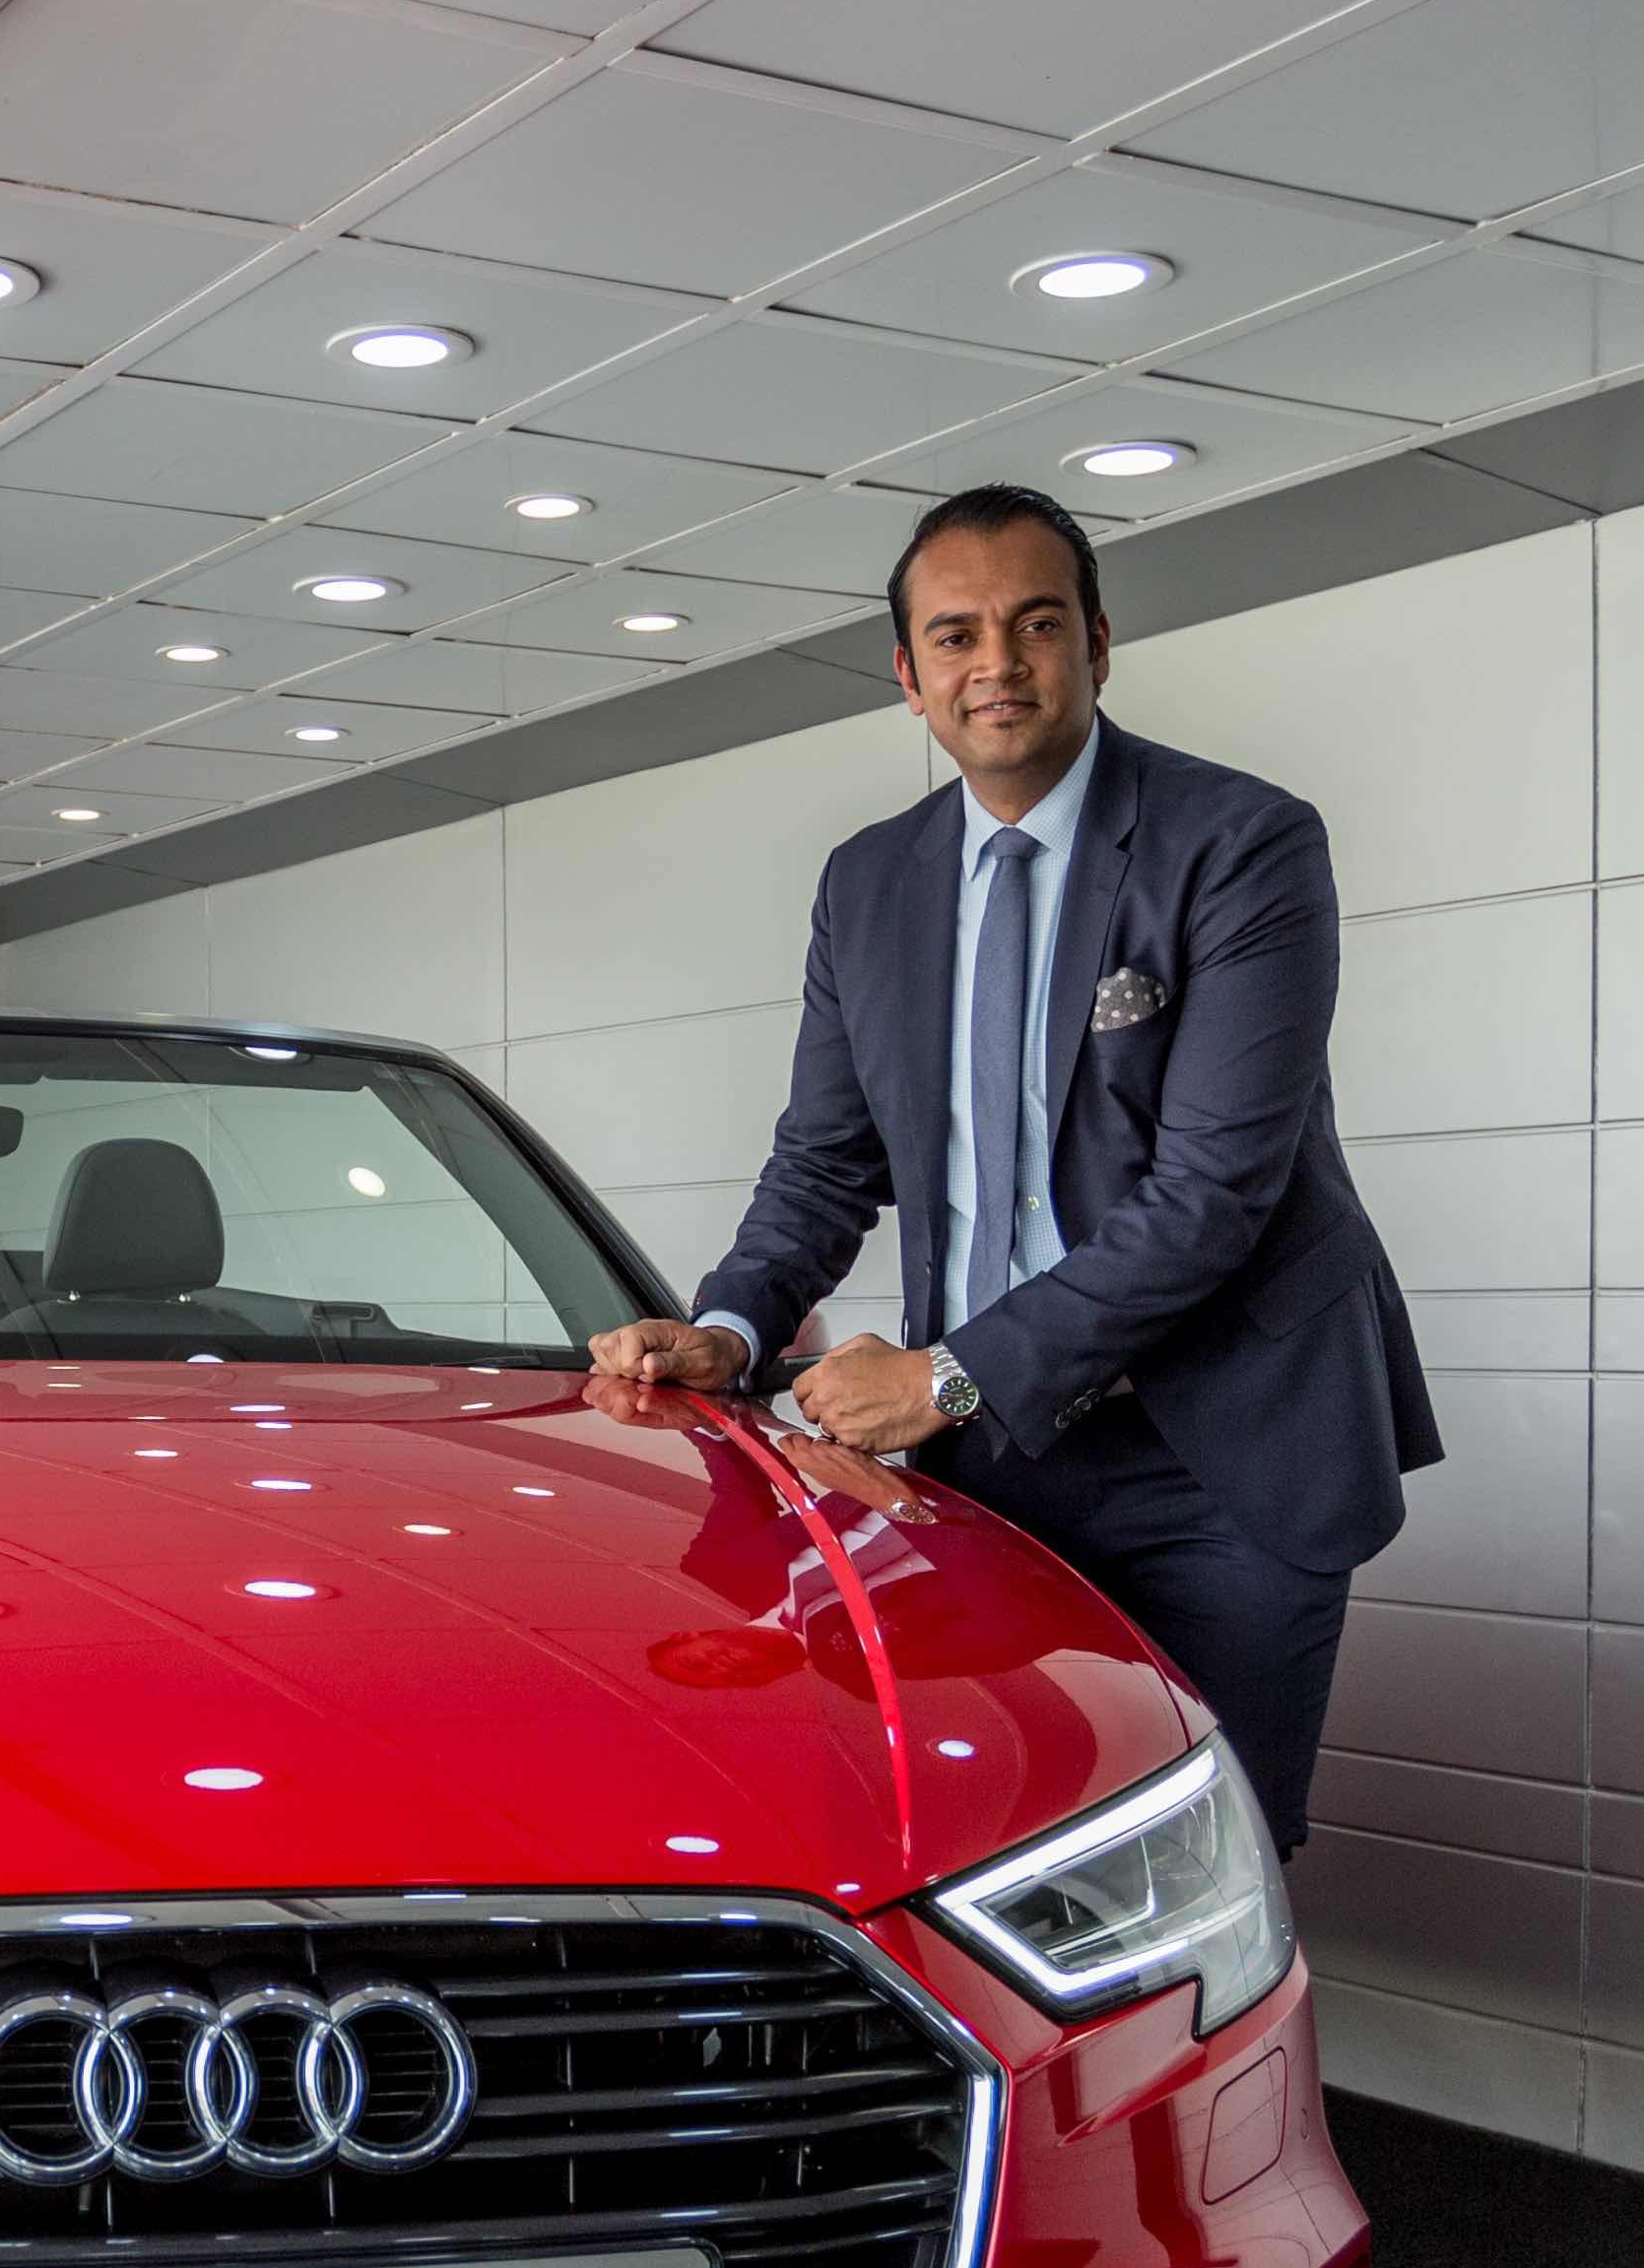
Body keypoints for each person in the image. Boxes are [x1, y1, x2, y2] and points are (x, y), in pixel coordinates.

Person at [587, 482, 1435, 1851]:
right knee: (981, 1841)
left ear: (1097, 642)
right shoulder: (869, 884)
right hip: (985, 1460)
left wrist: (938, 1375)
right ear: (909, 677)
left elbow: (1215, 1190)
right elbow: (822, 1160)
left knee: (1205, 1860)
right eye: (960, 635)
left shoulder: (1243, 844)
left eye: (1037, 623)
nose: (1000, 663)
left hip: (1217, 1455)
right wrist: (730, 1326)